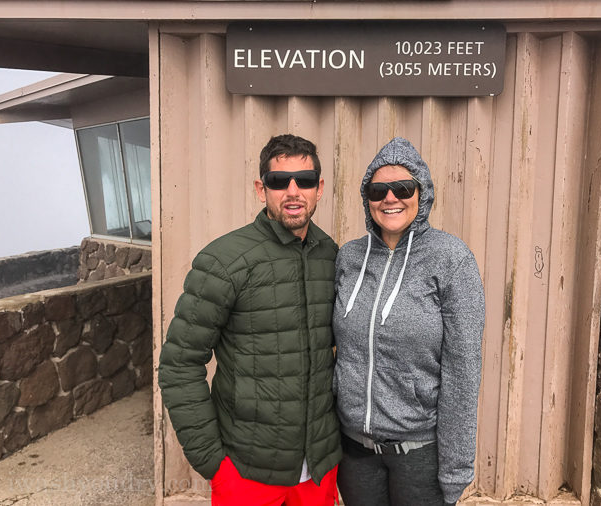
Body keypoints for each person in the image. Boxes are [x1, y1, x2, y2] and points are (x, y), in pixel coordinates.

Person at [158, 134, 342, 506]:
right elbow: (179, 365)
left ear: (319, 188)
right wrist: (213, 462)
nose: (293, 191)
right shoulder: (223, 260)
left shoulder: (331, 254)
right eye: (279, 181)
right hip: (246, 472)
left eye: (304, 181)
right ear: (262, 189)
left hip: (318, 471)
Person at [332, 137, 485, 506]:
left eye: (403, 188)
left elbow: (463, 372)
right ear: (366, 197)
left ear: (422, 193)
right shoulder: (350, 258)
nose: (390, 198)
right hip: (355, 453)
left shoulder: (451, 260)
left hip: (419, 455)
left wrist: (455, 468)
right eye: (378, 189)